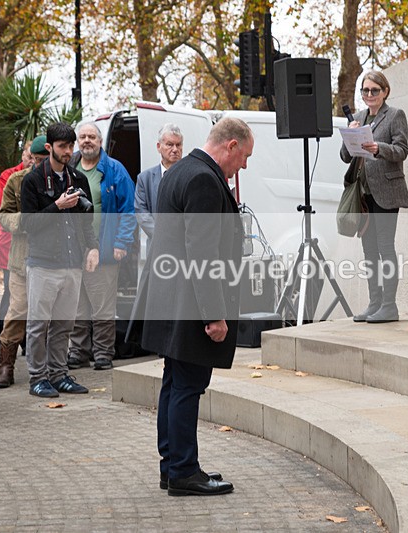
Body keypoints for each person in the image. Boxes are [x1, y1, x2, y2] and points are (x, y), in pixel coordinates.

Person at [129, 117, 252, 496]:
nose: (244, 165)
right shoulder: (201, 178)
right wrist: (213, 314)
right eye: (244, 156)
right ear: (230, 145)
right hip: (191, 304)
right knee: (187, 387)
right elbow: (202, 252)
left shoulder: (179, 170)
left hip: (172, 298)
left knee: (174, 384)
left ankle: (174, 465)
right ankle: (183, 471)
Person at [21, 122, 99, 398]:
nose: (68, 152)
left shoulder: (78, 179)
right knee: (38, 324)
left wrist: (93, 248)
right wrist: (57, 206)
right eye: (63, 147)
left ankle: (59, 373)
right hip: (43, 262)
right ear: (49, 147)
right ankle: (37, 378)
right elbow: (27, 224)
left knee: (64, 324)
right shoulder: (32, 180)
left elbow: (87, 222)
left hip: (72, 261)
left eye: (70, 146)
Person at [340, 70, 408, 323]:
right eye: (365, 91)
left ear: (385, 92)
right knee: (369, 250)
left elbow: (402, 150)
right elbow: (345, 156)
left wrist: (378, 148)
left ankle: (389, 305)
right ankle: (375, 302)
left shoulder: (395, 116)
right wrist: (351, 135)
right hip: (364, 193)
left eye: (374, 90)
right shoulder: (358, 117)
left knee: (385, 247)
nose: (369, 95)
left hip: (387, 191)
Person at [66, 122, 135, 371]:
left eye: (92, 137)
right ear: (77, 141)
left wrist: (122, 243)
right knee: (77, 305)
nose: (87, 141)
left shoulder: (115, 170)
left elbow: (129, 210)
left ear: (100, 141)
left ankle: (104, 353)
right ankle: (78, 352)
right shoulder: (68, 168)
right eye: (82, 137)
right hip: (74, 251)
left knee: (103, 306)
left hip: (104, 250)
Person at [0, 137, 48, 388]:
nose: (40, 164)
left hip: (52, 258)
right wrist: (25, 223)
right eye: (37, 160)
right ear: (32, 159)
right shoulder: (16, 180)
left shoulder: (62, 179)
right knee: (18, 311)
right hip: (22, 259)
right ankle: (6, 365)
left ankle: (50, 367)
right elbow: (4, 216)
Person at [0, 142, 33, 345]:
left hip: (35, 246)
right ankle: (4, 343)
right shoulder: (10, 176)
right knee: (12, 296)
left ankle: (27, 343)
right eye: (29, 156)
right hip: (10, 244)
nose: (32, 161)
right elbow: (6, 209)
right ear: (24, 155)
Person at [135, 123, 183, 254]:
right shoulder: (145, 179)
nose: (175, 149)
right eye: (169, 144)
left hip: (185, 249)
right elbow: (141, 212)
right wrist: (163, 236)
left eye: (178, 145)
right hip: (157, 248)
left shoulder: (191, 176)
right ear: (158, 147)